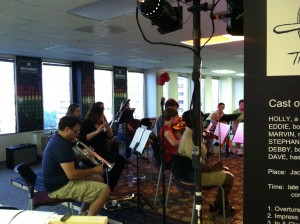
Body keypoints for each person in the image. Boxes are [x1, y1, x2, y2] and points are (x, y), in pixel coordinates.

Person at [42, 115, 110, 216]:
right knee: (105, 190)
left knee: (98, 179)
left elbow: (65, 163)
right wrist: (94, 170)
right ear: (67, 129)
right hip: (60, 187)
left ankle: (82, 212)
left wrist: (81, 157)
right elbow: (72, 175)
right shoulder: (61, 146)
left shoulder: (58, 139)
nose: (77, 135)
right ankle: (88, 222)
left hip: (60, 180)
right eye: (75, 132)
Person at [178, 109, 236, 214]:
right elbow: (195, 164)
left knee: (226, 169)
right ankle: (220, 205)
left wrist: (209, 141)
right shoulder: (190, 138)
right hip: (192, 176)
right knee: (229, 178)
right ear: (194, 122)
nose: (203, 123)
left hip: (189, 172)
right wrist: (213, 168)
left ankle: (221, 204)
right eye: (201, 120)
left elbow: (202, 154)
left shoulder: (191, 133)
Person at [78, 104, 126, 191]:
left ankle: (109, 184)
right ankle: (107, 184)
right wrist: (97, 131)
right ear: (95, 114)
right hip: (92, 152)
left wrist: (109, 130)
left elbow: (110, 137)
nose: (102, 115)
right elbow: (82, 139)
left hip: (103, 150)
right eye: (101, 114)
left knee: (121, 161)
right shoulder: (87, 123)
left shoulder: (100, 123)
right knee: (116, 163)